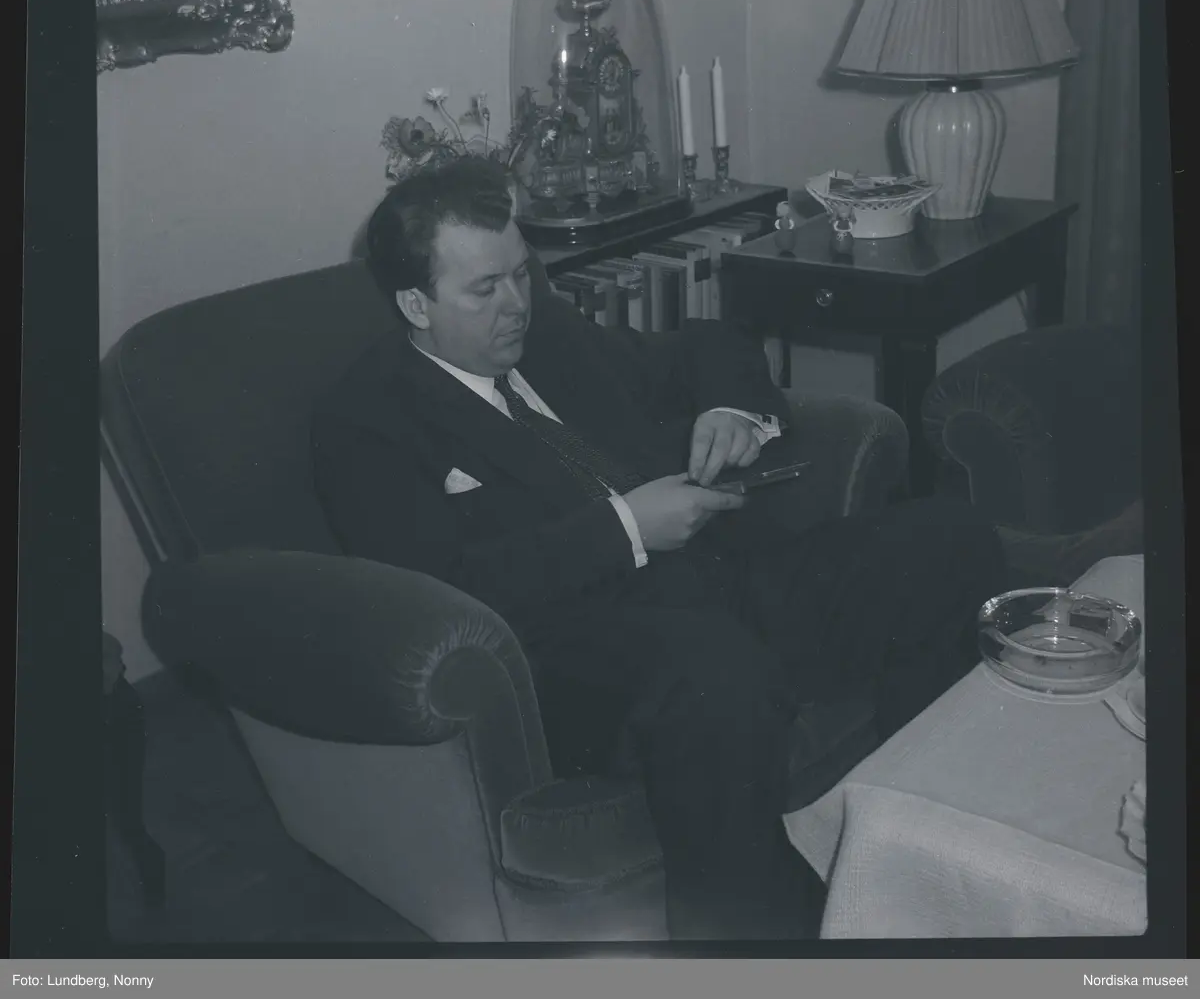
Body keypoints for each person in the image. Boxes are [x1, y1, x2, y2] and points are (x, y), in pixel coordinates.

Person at [311, 155, 1007, 941]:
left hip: (724, 581)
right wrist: (627, 529)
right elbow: (442, 586)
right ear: (416, 302)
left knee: (949, 538)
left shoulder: (547, 337)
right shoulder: (367, 422)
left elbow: (706, 346)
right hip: (581, 658)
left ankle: (920, 845)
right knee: (717, 672)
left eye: (521, 274)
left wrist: (729, 410)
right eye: (485, 289)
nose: (517, 305)